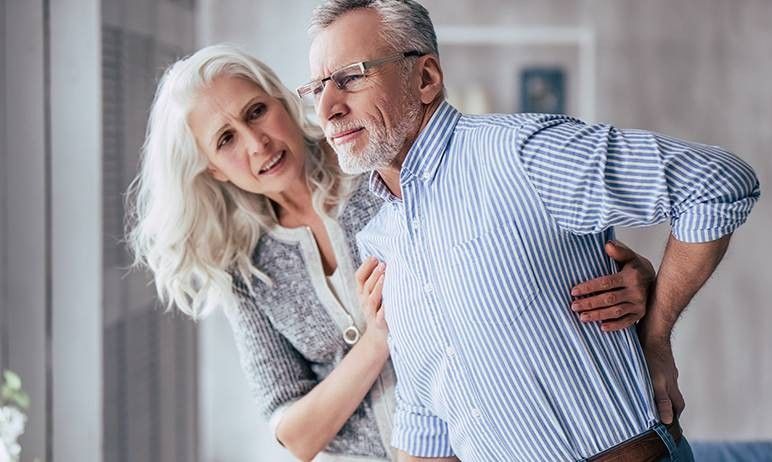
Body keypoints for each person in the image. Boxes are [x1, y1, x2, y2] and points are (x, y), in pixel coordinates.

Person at [126, 44, 657, 462]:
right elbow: (296, 436)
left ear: (284, 101)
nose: (257, 143)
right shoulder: (243, 268)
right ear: (213, 169)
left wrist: (634, 280)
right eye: (225, 139)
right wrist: (378, 339)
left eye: (257, 112)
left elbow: (518, 246)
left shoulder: (376, 167)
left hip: (482, 443)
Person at [302, 1, 761, 461]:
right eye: (318, 87)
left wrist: (656, 336)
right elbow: (426, 408)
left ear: (425, 78)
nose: (327, 108)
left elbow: (716, 183)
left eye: (351, 77)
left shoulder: (521, 155)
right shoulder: (381, 237)